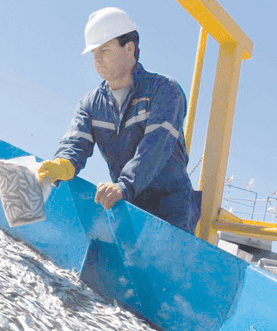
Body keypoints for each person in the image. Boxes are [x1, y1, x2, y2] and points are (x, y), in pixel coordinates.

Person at [38, 7, 201, 234]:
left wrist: (124, 185)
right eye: (93, 52)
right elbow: (76, 144)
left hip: (171, 209)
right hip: (128, 205)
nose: (96, 58)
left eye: (104, 49)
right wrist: (63, 163)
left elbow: (155, 147)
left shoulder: (165, 91)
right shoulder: (91, 104)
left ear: (129, 48)